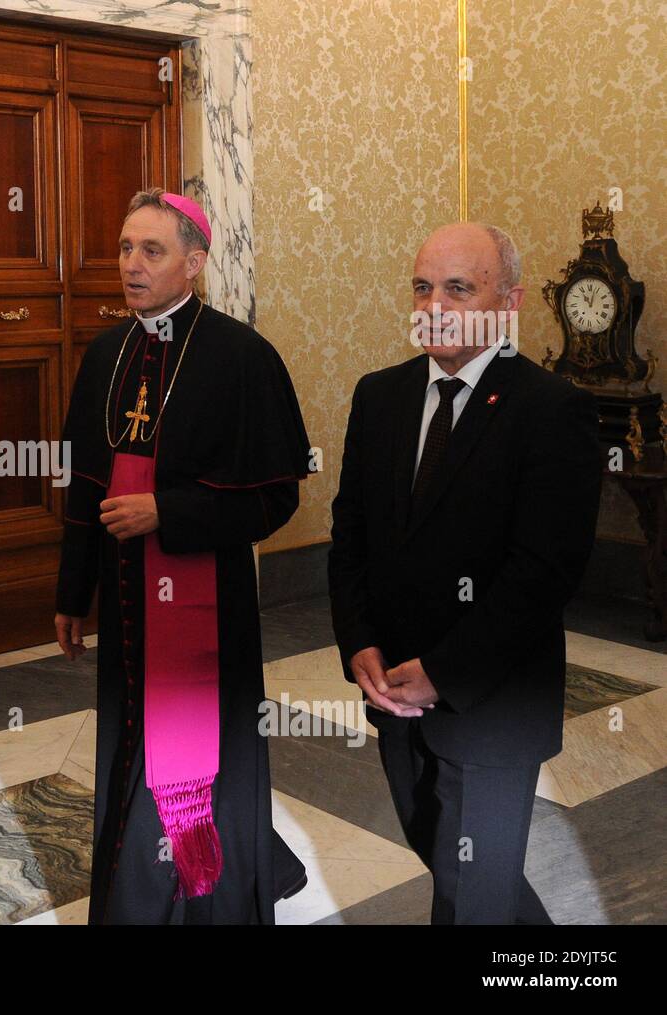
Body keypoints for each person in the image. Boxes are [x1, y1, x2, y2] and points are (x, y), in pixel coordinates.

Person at [328, 221, 602, 924]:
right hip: (393, 693)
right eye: (422, 287)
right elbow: (351, 534)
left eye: (459, 287)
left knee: (470, 900)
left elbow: (543, 573)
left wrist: (445, 671)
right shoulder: (378, 396)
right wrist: (358, 639)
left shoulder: (553, 410)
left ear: (507, 302)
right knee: (457, 869)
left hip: (492, 703)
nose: (435, 304)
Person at [55, 188, 313, 923]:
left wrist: (169, 511)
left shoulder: (241, 356)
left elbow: (274, 498)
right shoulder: (104, 354)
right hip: (126, 601)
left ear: (193, 264)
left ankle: (211, 902)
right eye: (125, 249)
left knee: (212, 762)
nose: (131, 265)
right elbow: (86, 487)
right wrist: (73, 592)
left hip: (209, 610)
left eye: (152, 251)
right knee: (129, 741)